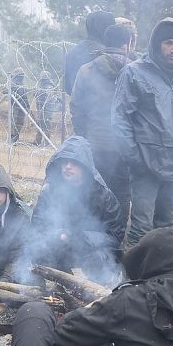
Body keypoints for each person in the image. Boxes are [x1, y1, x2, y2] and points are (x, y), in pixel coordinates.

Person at [112, 18, 173, 245]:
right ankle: (132, 278)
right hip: (146, 166)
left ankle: (157, 276)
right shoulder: (134, 73)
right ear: (156, 44)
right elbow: (120, 119)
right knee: (141, 228)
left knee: (165, 226)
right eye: (169, 43)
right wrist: (135, 158)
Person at [30, 137, 124, 284]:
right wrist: (58, 235)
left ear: (85, 166)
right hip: (59, 250)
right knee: (38, 251)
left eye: (74, 163)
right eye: (64, 162)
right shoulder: (50, 192)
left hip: (90, 254)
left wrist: (80, 237)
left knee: (102, 258)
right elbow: (37, 226)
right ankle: (44, 289)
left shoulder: (104, 196)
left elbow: (115, 236)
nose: (67, 167)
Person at [72, 24, 134, 234]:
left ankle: (92, 235)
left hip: (95, 143)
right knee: (122, 194)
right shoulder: (136, 71)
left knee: (95, 189)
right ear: (127, 44)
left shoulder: (87, 70)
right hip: (126, 146)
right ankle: (117, 238)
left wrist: (83, 137)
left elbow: (77, 108)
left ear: (105, 43)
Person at [63, 10, 115, 98]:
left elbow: (68, 87)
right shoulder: (106, 54)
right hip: (102, 109)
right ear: (105, 28)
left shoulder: (72, 52)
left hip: (79, 107)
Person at [32, 71, 58, 146]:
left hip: (47, 109)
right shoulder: (40, 85)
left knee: (46, 124)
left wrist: (39, 93)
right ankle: (37, 141)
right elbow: (36, 94)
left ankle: (47, 142)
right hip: (41, 107)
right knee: (40, 123)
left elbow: (50, 98)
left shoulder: (49, 86)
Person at [6, 68, 29, 144]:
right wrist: (13, 93)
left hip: (22, 106)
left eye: (22, 75)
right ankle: (11, 138)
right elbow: (5, 90)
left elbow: (25, 96)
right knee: (13, 122)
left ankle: (16, 138)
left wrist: (27, 106)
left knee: (20, 122)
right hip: (14, 105)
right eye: (20, 75)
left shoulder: (22, 84)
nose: (22, 76)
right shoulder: (12, 82)